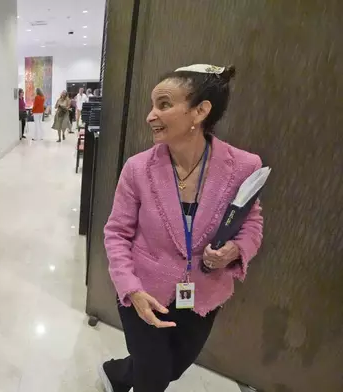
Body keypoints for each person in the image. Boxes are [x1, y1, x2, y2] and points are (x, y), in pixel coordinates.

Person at [98, 64, 264, 392]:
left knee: (172, 370)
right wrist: (130, 288)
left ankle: (117, 373)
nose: (150, 115)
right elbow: (117, 232)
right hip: (144, 291)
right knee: (154, 378)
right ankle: (128, 374)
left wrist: (235, 250)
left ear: (200, 111)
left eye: (163, 104)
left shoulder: (244, 166)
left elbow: (252, 223)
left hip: (202, 293)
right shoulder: (138, 169)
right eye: (152, 105)